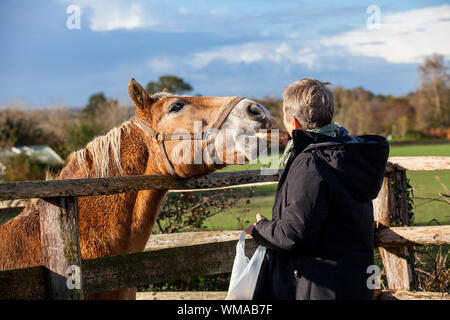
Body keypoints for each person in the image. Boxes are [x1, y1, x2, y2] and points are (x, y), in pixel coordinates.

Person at [245, 78, 389, 300]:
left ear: (292, 122)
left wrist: (259, 229)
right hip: (351, 285)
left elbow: (293, 234)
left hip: (318, 288)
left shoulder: (312, 162)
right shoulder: (347, 154)